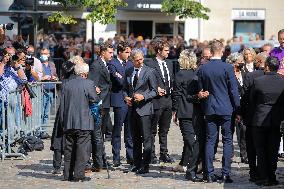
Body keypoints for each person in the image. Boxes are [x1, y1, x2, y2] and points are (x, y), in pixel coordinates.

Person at [197, 40, 240, 183]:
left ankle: (209, 173)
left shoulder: (203, 68)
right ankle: (225, 173)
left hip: (210, 108)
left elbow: (201, 90)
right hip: (226, 108)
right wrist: (238, 108)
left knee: (210, 140)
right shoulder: (227, 67)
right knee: (227, 140)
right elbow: (233, 90)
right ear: (221, 51)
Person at [172, 49, 208, 182]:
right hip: (197, 110)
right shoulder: (197, 73)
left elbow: (176, 95)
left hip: (184, 110)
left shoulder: (179, 74)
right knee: (192, 139)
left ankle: (196, 164)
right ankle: (184, 163)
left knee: (190, 140)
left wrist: (174, 111)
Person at [60, 62, 99, 182]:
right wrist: (96, 93)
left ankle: (67, 174)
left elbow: (62, 104)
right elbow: (94, 99)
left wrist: (63, 121)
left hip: (69, 122)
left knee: (69, 149)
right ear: (84, 73)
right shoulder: (89, 83)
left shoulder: (67, 84)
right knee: (82, 150)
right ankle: (78, 175)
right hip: (83, 122)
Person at [250, 56, 284, 186]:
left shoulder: (258, 81)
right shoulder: (282, 82)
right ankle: (271, 176)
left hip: (259, 119)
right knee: (273, 149)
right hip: (276, 120)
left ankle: (263, 176)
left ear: (267, 67)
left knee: (261, 150)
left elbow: (252, 100)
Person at [124, 49, 157, 174]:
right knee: (135, 138)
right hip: (132, 110)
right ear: (132, 61)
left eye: (141, 59)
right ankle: (136, 164)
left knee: (146, 139)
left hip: (145, 110)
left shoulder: (150, 71)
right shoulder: (128, 71)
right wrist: (126, 97)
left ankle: (146, 165)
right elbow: (125, 89)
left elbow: (154, 91)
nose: (139, 62)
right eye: (137, 60)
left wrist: (144, 97)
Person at [145, 39, 175, 163]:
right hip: (156, 101)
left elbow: (171, 80)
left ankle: (164, 153)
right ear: (159, 51)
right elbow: (146, 79)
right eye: (166, 50)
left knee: (164, 129)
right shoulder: (150, 63)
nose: (169, 52)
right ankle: (151, 154)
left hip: (167, 100)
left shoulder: (170, 63)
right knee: (152, 130)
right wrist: (155, 88)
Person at [88, 42, 113, 171]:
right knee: (97, 134)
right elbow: (93, 84)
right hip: (100, 104)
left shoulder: (106, 64)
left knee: (101, 134)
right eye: (110, 52)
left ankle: (101, 159)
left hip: (106, 102)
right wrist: (98, 101)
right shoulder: (96, 65)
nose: (112, 54)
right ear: (102, 52)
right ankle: (98, 161)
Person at [108, 41, 133, 167]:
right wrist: (126, 80)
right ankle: (116, 157)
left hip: (130, 100)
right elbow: (117, 80)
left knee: (130, 131)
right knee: (117, 130)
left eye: (129, 52)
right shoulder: (113, 63)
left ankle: (130, 156)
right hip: (119, 99)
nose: (129, 54)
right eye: (126, 52)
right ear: (120, 52)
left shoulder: (130, 63)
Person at [226, 52, 247, 163]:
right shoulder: (228, 73)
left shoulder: (244, 72)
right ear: (233, 62)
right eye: (240, 61)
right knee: (229, 131)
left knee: (242, 131)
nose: (242, 63)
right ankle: (229, 154)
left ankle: (244, 155)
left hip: (242, 106)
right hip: (230, 105)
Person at [40, 48, 58, 124]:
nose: (44, 55)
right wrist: (42, 78)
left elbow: (56, 76)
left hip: (51, 91)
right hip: (42, 91)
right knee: (41, 111)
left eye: (45, 54)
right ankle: (39, 131)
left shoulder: (52, 64)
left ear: (49, 55)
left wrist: (55, 78)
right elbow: (34, 77)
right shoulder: (38, 64)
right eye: (42, 53)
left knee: (47, 112)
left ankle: (44, 130)